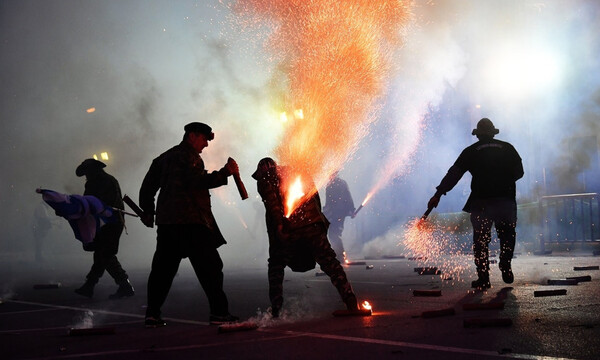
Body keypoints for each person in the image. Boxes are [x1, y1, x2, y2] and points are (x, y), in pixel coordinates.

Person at [139, 122, 239, 328]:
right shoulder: (190, 157)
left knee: (162, 271)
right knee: (211, 268)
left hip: (168, 224)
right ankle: (219, 313)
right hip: (192, 224)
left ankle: (152, 314)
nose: (206, 145)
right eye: (203, 139)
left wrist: (148, 211)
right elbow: (197, 181)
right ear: (192, 136)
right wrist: (225, 172)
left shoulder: (164, 158)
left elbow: (147, 186)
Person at [252, 158, 360, 318]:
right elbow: (314, 198)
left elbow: (272, 203)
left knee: (276, 265)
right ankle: (350, 300)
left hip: (289, 228)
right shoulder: (296, 172)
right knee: (329, 261)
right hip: (313, 225)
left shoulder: (266, 177)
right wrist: (320, 226)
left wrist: (280, 226)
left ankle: (276, 308)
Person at [427, 118, 524, 289]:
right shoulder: (508, 148)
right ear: (493, 133)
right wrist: (503, 182)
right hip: (505, 200)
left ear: (478, 135)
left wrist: (438, 194)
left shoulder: (470, 151)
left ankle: (483, 277)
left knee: (480, 240)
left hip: (481, 202)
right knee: (507, 235)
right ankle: (505, 265)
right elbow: (519, 172)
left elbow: (453, 175)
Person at [74, 159, 135, 299]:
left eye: (87, 173)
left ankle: (94, 285)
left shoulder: (102, 182)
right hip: (106, 222)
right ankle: (94, 285)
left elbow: (97, 203)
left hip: (110, 222)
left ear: (93, 170)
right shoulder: (107, 180)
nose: (86, 176)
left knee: (104, 254)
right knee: (103, 254)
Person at [323, 172, 355, 260]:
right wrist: (352, 210)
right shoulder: (339, 183)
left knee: (333, 233)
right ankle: (339, 254)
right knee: (334, 233)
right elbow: (348, 197)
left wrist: (352, 210)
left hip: (337, 214)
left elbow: (347, 197)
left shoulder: (333, 185)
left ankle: (340, 254)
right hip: (336, 213)